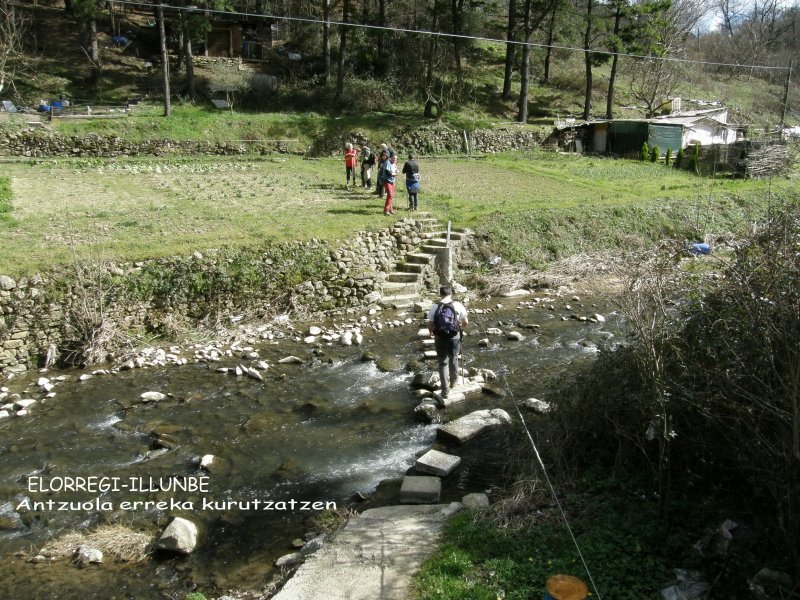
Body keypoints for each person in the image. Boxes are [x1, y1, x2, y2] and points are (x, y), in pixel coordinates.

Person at [426, 285, 469, 399]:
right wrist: (461, 328)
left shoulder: (435, 306)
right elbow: (465, 321)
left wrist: (431, 332)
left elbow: (430, 323)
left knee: (442, 362)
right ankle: (454, 382)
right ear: (451, 294)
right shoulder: (458, 305)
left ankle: (445, 391)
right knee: (454, 358)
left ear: (440, 294)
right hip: (455, 336)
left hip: (440, 337)